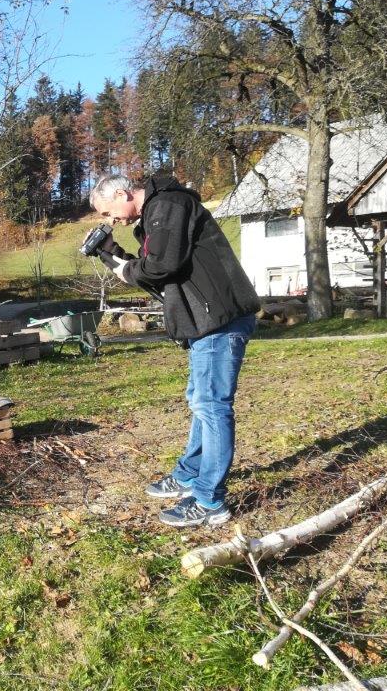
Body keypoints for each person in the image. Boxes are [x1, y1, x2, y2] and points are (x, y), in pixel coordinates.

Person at [87, 173, 260, 528]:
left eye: (109, 212)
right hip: (206, 322)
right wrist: (111, 256)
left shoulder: (168, 205)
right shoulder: (159, 212)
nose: (112, 221)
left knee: (212, 407)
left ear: (121, 193)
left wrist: (125, 265)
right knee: (201, 401)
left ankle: (210, 500)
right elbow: (158, 276)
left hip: (219, 321)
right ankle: (189, 475)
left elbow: (160, 266)